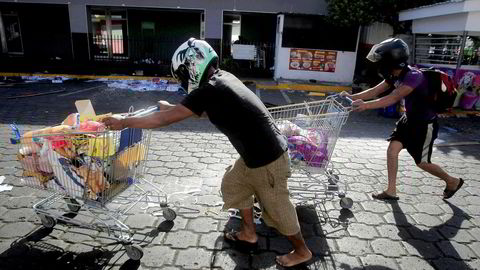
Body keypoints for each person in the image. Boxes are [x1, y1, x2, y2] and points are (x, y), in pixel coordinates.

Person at [102, 38, 312, 267]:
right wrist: (174, 109)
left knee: (279, 210)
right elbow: (205, 110)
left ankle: (302, 251)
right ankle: (248, 233)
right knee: (233, 183)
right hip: (255, 154)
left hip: (268, 159)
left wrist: (125, 122)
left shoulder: (209, 89)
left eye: (182, 74)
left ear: (191, 67)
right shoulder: (221, 79)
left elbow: (164, 120)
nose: (183, 81)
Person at [342, 38, 464, 201]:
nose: (379, 64)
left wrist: (365, 106)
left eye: (382, 60)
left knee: (422, 163)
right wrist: (351, 96)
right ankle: (391, 191)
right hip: (408, 120)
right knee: (392, 151)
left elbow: (394, 97)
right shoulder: (393, 74)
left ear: (391, 61)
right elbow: (374, 91)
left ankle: (452, 181)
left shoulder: (414, 76)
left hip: (424, 125)